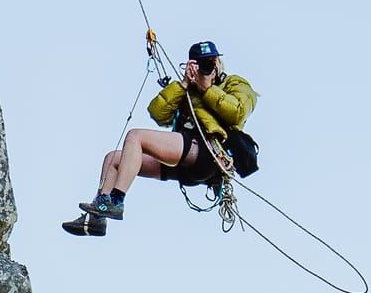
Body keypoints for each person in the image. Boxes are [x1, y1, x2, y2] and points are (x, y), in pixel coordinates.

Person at [62, 40, 257, 236]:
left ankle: (116, 200)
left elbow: (238, 112)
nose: (208, 68)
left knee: (135, 136)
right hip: (183, 162)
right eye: (201, 64)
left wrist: (208, 89)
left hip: (207, 152)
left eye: (211, 62)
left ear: (218, 62)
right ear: (191, 66)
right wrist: (183, 85)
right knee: (113, 159)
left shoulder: (233, 83)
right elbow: (158, 114)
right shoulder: (186, 89)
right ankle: (96, 220)